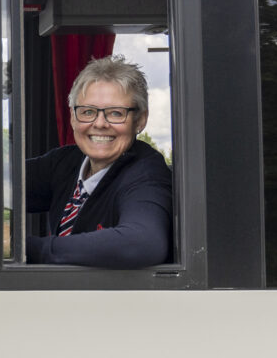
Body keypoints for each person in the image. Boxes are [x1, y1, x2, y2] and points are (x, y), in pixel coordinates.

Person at [26, 56, 172, 267]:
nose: (100, 123)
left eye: (115, 113)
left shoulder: (146, 175)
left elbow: (143, 243)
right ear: (73, 118)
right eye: (88, 112)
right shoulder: (66, 162)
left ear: (140, 120)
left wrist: (25, 248)